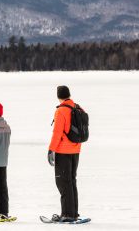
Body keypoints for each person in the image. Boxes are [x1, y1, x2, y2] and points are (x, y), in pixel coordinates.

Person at [47, 85, 81, 222]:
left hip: (63, 151)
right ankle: (73, 212)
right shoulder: (77, 107)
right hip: (76, 150)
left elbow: (57, 133)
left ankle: (67, 214)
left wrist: (51, 150)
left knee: (63, 182)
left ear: (58, 96)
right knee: (71, 181)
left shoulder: (61, 110)